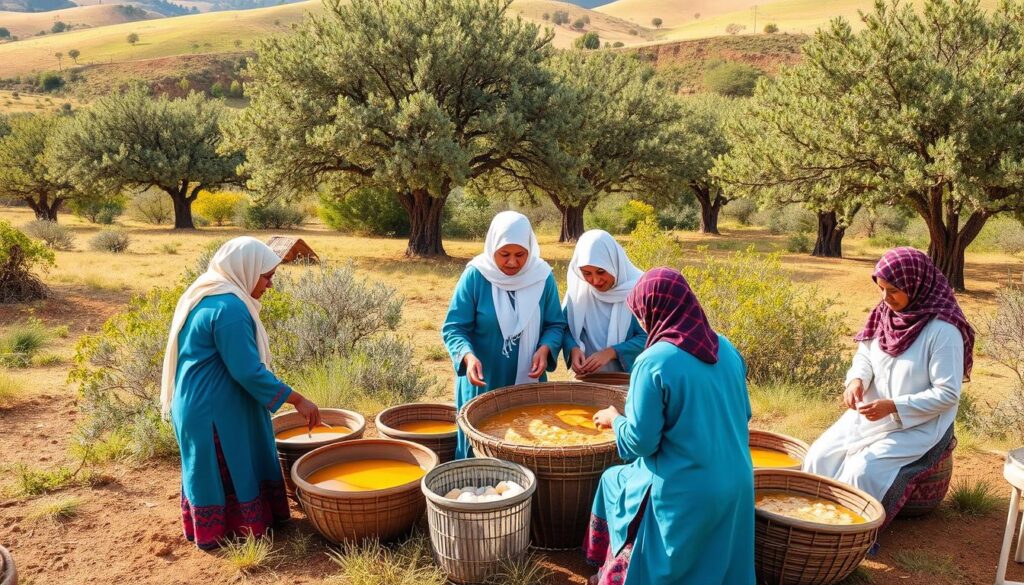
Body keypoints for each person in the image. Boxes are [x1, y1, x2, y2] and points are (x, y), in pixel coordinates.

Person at [585, 268, 755, 585]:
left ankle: (613, 572)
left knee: (614, 479)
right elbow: (743, 415)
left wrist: (614, 418)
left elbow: (640, 443)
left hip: (684, 488)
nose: (640, 322)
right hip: (739, 481)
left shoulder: (654, 361)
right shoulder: (728, 350)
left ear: (651, 312)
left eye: (640, 315)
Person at [161, 237, 321, 550]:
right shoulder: (230, 308)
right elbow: (248, 371)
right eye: (267, 276)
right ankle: (233, 531)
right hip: (214, 409)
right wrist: (297, 399)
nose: (270, 285)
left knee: (213, 468)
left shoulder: (207, 293)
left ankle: (220, 526)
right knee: (226, 464)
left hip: (201, 402)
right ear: (245, 270)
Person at [803, 247, 973, 521]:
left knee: (862, 471)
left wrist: (893, 406)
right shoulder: (883, 314)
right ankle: (811, 523)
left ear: (915, 284)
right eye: (881, 288)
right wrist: (856, 380)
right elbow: (865, 356)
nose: (885, 297)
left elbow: (947, 394)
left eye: (893, 290)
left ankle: (850, 537)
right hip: (871, 413)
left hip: (917, 424)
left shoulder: (943, 331)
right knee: (819, 456)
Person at [441, 211, 566, 459]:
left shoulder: (541, 277)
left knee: (529, 443)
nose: (512, 263)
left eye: (520, 255)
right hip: (483, 379)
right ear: (492, 248)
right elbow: (454, 327)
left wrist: (545, 348)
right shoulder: (476, 276)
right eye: (504, 255)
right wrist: (467, 356)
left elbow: (555, 324)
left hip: (528, 380)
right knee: (478, 449)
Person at [562, 230, 647, 376]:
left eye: (601, 271)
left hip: (629, 380)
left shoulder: (640, 290)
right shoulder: (579, 292)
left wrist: (612, 352)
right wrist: (573, 349)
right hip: (588, 379)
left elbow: (648, 336)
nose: (595, 281)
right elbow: (564, 327)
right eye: (586, 273)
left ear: (614, 264)